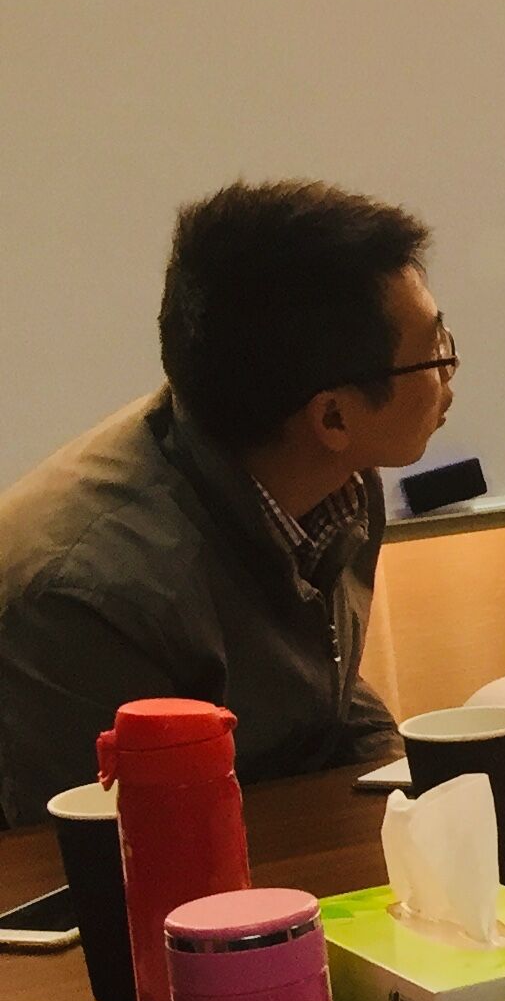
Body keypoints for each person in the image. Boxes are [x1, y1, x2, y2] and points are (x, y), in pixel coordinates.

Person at [0, 180, 453, 826]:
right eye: (433, 353)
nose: (448, 373)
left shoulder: (333, 476)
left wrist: (416, 795)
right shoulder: (87, 599)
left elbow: (321, 692)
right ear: (332, 416)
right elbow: (101, 851)